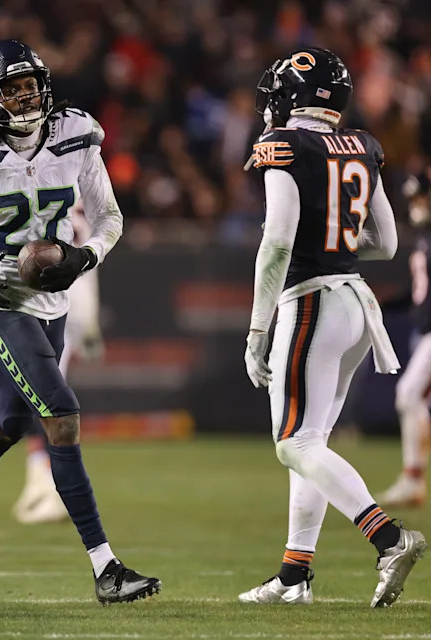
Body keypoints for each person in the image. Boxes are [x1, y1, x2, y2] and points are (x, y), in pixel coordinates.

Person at [0, 39, 160, 604]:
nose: (24, 97)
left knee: (7, 425)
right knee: (61, 416)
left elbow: (109, 218)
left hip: (55, 303)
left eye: (30, 85)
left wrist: (85, 257)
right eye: (12, 88)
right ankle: (106, 568)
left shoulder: (75, 135)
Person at [239, 48, 426, 608]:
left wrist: (257, 329)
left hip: (312, 303)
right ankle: (293, 577)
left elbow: (277, 242)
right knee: (310, 443)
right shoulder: (362, 145)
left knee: (294, 444)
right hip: (355, 304)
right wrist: (332, 243)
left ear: (292, 95)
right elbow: (386, 243)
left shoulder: (285, 145)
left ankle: (388, 539)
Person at [0, 205, 102, 525]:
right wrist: (91, 321)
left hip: (36, 302)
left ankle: (52, 487)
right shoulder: (75, 203)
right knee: (37, 401)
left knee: (42, 403)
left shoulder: (30, 196)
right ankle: (39, 481)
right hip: (72, 303)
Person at [377, 170, 431, 508]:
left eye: (421, 198)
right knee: (411, 397)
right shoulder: (424, 235)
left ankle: (413, 479)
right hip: (425, 331)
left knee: (409, 394)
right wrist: (383, 303)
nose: (417, 205)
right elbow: (419, 292)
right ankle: (413, 478)